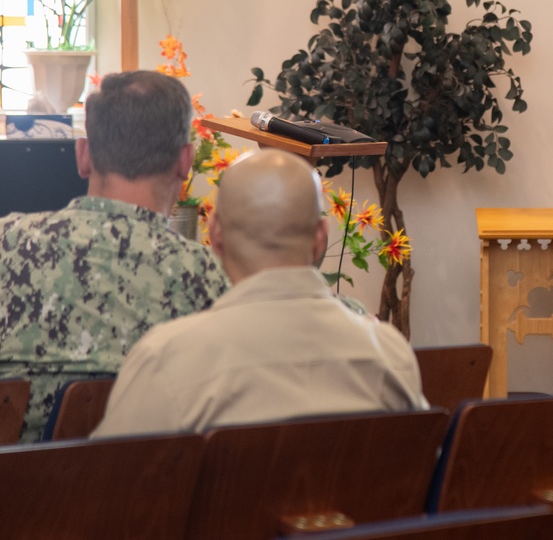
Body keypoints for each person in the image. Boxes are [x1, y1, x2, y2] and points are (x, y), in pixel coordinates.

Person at [91, 149, 427, 438]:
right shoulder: (388, 355)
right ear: (321, 237)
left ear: (216, 233)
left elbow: (107, 495)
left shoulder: (165, 361)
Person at [0, 71, 229, 441]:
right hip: (139, 493)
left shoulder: (6, 244)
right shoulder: (209, 279)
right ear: (186, 161)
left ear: (83, 155)